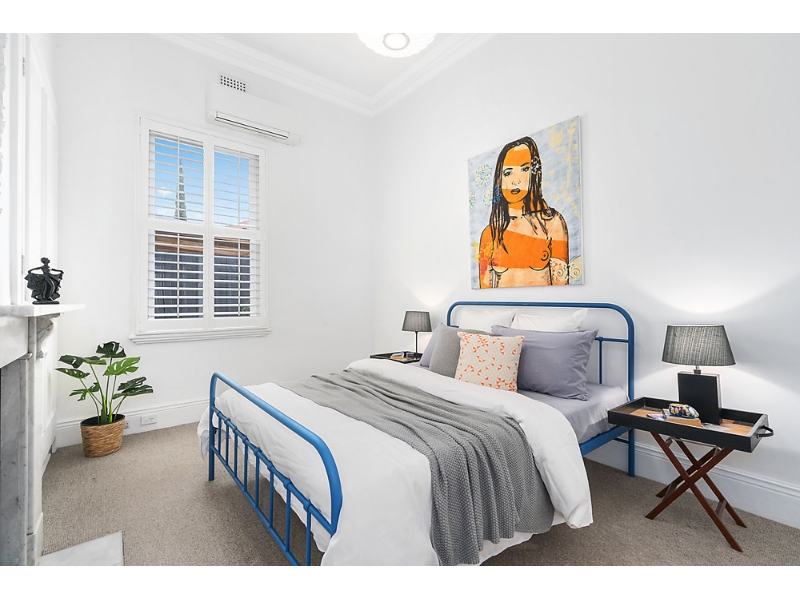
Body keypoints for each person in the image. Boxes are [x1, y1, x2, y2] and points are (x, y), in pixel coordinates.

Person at [478, 136, 569, 288]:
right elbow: (485, 289)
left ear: (534, 173)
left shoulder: (553, 223)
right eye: (508, 173)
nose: (516, 181)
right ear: (500, 179)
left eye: (524, 169)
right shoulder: (490, 234)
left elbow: (562, 287)